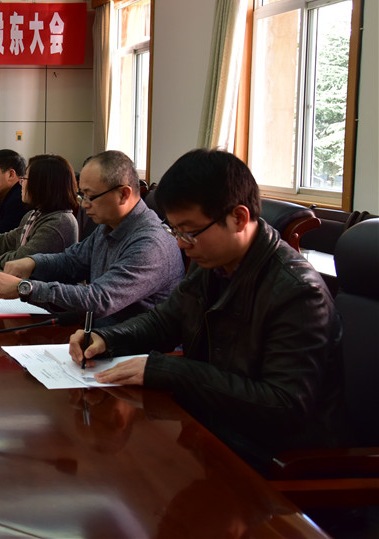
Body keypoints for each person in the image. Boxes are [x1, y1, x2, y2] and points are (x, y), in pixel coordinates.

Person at [70, 148, 346, 471]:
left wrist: (169, 371)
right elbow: (165, 321)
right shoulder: (213, 264)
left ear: (238, 218)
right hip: (211, 436)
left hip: (272, 464)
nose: (180, 244)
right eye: (175, 230)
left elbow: (282, 406)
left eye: (189, 231)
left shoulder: (297, 292)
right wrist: (108, 338)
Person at [0, 150, 183, 326]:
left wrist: (26, 288)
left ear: (123, 194)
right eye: (82, 195)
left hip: (134, 350)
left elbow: (99, 299)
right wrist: (33, 263)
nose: (84, 204)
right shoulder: (107, 226)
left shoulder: (150, 244)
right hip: (98, 338)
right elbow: (72, 261)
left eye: (90, 196)